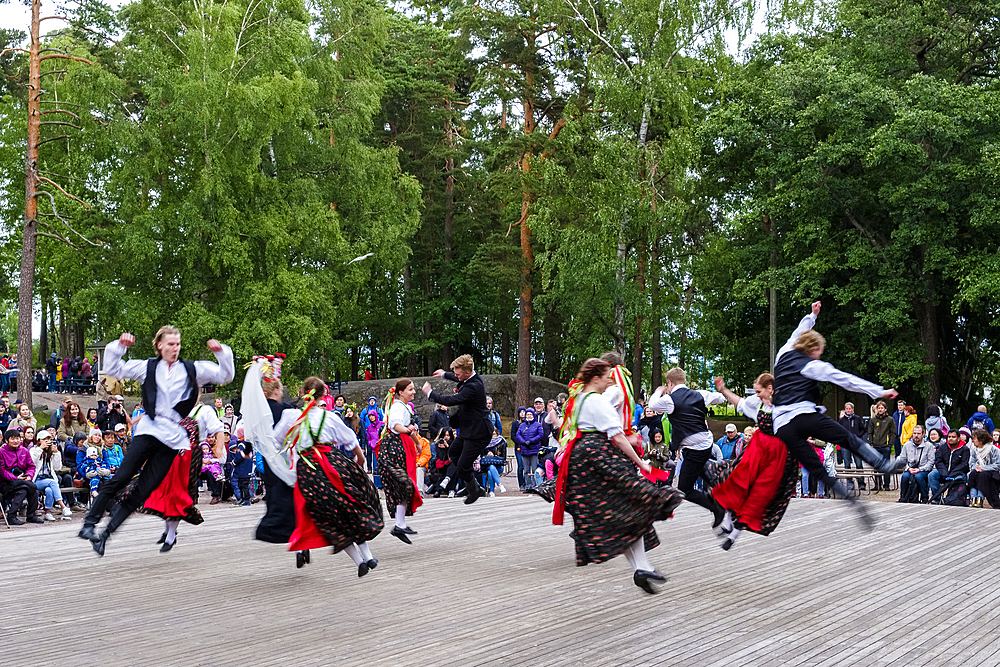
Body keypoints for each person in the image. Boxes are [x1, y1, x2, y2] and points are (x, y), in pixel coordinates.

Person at [78, 327, 234, 556]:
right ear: (159, 345)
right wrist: (119, 346)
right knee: (121, 477)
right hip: (150, 429)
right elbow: (113, 368)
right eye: (170, 344)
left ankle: (105, 535)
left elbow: (225, 376)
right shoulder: (148, 366)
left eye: (178, 344)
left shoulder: (191, 369)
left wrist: (222, 353)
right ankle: (89, 524)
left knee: (142, 491)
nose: (175, 348)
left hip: (172, 438)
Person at [550, 358, 683, 594]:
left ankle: (642, 567)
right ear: (595, 378)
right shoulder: (598, 402)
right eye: (605, 376)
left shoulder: (578, 399)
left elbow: (571, 429)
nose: (610, 379)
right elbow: (618, 437)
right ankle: (642, 566)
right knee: (633, 508)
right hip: (600, 457)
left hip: (582, 461)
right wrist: (640, 461)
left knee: (619, 516)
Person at [771, 301, 899, 528]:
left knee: (816, 468)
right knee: (846, 438)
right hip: (802, 415)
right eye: (819, 353)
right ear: (813, 350)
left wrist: (812, 315)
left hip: (781, 425)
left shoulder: (783, 353)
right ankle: (881, 464)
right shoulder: (811, 365)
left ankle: (851, 501)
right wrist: (879, 391)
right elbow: (846, 379)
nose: (819, 357)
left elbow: (798, 331)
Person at [272, 376, 383, 576]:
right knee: (351, 507)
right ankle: (368, 556)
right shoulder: (329, 417)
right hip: (332, 464)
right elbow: (350, 440)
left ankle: (360, 562)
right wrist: (360, 458)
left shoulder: (292, 417)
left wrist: (291, 451)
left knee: (331, 519)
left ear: (304, 394)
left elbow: (277, 439)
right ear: (324, 394)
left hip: (310, 472)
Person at [708, 374, 799, 550]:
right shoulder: (758, 402)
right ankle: (727, 521)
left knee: (760, 493)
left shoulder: (786, 405)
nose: (756, 395)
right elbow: (740, 403)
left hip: (777, 453)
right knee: (737, 479)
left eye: (759, 391)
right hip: (758, 447)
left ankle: (733, 536)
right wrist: (724, 390)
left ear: (770, 389)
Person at [647, 367, 728, 528]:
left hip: (695, 449)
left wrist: (658, 391)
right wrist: (719, 393)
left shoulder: (670, 400)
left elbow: (653, 404)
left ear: (670, 383)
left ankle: (718, 509)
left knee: (685, 489)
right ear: (684, 381)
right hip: (706, 444)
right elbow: (720, 399)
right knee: (704, 473)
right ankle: (722, 491)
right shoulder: (700, 394)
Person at [421, 354, 491, 505]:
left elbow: (451, 400)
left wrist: (431, 394)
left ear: (467, 373)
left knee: (463, 466)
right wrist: (444, 374)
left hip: (479, 433)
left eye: (458, 374)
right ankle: (472, 484)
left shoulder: (474, 387)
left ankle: (474, 490)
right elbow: (458, 376)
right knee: (453, 453)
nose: (456, 376)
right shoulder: (470, 376)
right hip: (468, 429)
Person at [379, 378, 424, 541]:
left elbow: (408, 428)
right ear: (400, 392)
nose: (413, 392)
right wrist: (406, 429)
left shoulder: (405, 407)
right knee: (405, 484)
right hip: (394, 448)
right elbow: (394, 425)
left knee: (406, 485)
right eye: (410, 389)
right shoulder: (398, 406)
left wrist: (417, 443)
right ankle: (399, 524)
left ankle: (400, 524)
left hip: (402, 446)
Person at [1, 429, 43, 525]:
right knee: (29, 488)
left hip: (23, 480)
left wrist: (29, 475)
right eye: (12, 439)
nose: (16, 441)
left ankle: (31, 515)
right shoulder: (2, 452)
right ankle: (11, 517)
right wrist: (15, 478)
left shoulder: (24, 450)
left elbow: (31, 466)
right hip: (6, 483)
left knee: (29, 490)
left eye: (18, 438)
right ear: (6, 441)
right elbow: (2, 471)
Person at [30, 430, 73, 521]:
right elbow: (32, 463)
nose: (47, 442)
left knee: (49, 490)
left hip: (48, 479)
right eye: (45, 440)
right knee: (53, 482)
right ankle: (63, 507)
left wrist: (56, 453)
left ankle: (47, 513)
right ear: (39, 440)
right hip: (36, 479)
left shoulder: (50, 452)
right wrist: (40, 448)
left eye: (49, 440)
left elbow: (58, 467)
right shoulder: (34, 450)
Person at [928, 429, 969, 503]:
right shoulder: (942, 447)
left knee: (960, 478)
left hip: (958, 473)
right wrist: (945, 473)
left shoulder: (965, 449)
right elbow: (938, 461)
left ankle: (953, 499)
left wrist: (952, 473)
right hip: (944, 473)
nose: (950, 438)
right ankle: (937, 498)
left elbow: (964, 464)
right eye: (949, 437)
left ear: (958, 438)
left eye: (953, 437)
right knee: (932, 475)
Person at [896, 425, 934, 503]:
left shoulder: (929, 446)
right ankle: (903, 497)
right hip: (910, 468)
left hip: (923, 469)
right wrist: (908, 469)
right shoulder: (907, 445)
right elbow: (902, 460)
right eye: (914, 433)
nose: (916, 435)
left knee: (918, 477)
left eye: (918, 433)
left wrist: (920, 469)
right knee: (905, 476)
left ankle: (924, 498)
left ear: (923, 434)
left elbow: (930, 462)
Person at [868, 401, 897, 491]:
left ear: (885, 409)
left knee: (886, 466)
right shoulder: (873, 420)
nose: (880, 410)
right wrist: (871, 443)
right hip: (875, 446)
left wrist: (890, 444)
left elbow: (893, 433)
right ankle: (877, 484)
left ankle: (886, 484)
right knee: (876, 467)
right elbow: (870, 432)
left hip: (885, 446)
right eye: (879, 408)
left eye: (882, 408)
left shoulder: (890, 419)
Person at [968, 429, 1000, 508]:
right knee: (972, 474)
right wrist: (976, 467)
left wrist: (983, 468)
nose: (973, 441)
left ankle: (980, 499)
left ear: (981, 440)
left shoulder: (994, 450)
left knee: (982, 475)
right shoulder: (974, 450)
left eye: (975, 439)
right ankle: (974, 498)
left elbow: (997, 465)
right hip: (978, 470)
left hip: (991, 472)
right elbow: (971, 463)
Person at [838, 402, 866, 485]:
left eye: (850, 409)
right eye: (847, 409)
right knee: (847, 464)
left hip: (856, 444)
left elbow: (863, 429)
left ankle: (861, 482)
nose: (848, 410)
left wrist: (858, 436)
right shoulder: (842, 420)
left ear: (853, 409)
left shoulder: (857, 418)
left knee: (858, 464)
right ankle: (849, 483)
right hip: (846, 445)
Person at [482, 429, 507, 496]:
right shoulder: (484, 442)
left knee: (491, 471)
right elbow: (481, 456)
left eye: (494, 434)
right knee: (491, 468)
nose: (492, 436)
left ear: (497, 434)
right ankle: (500, 485)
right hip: (486, 465)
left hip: (498, 465)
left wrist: (495, 457)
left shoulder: (501, 442)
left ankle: (492, 491)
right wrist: (487, 453)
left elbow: (504, 458)